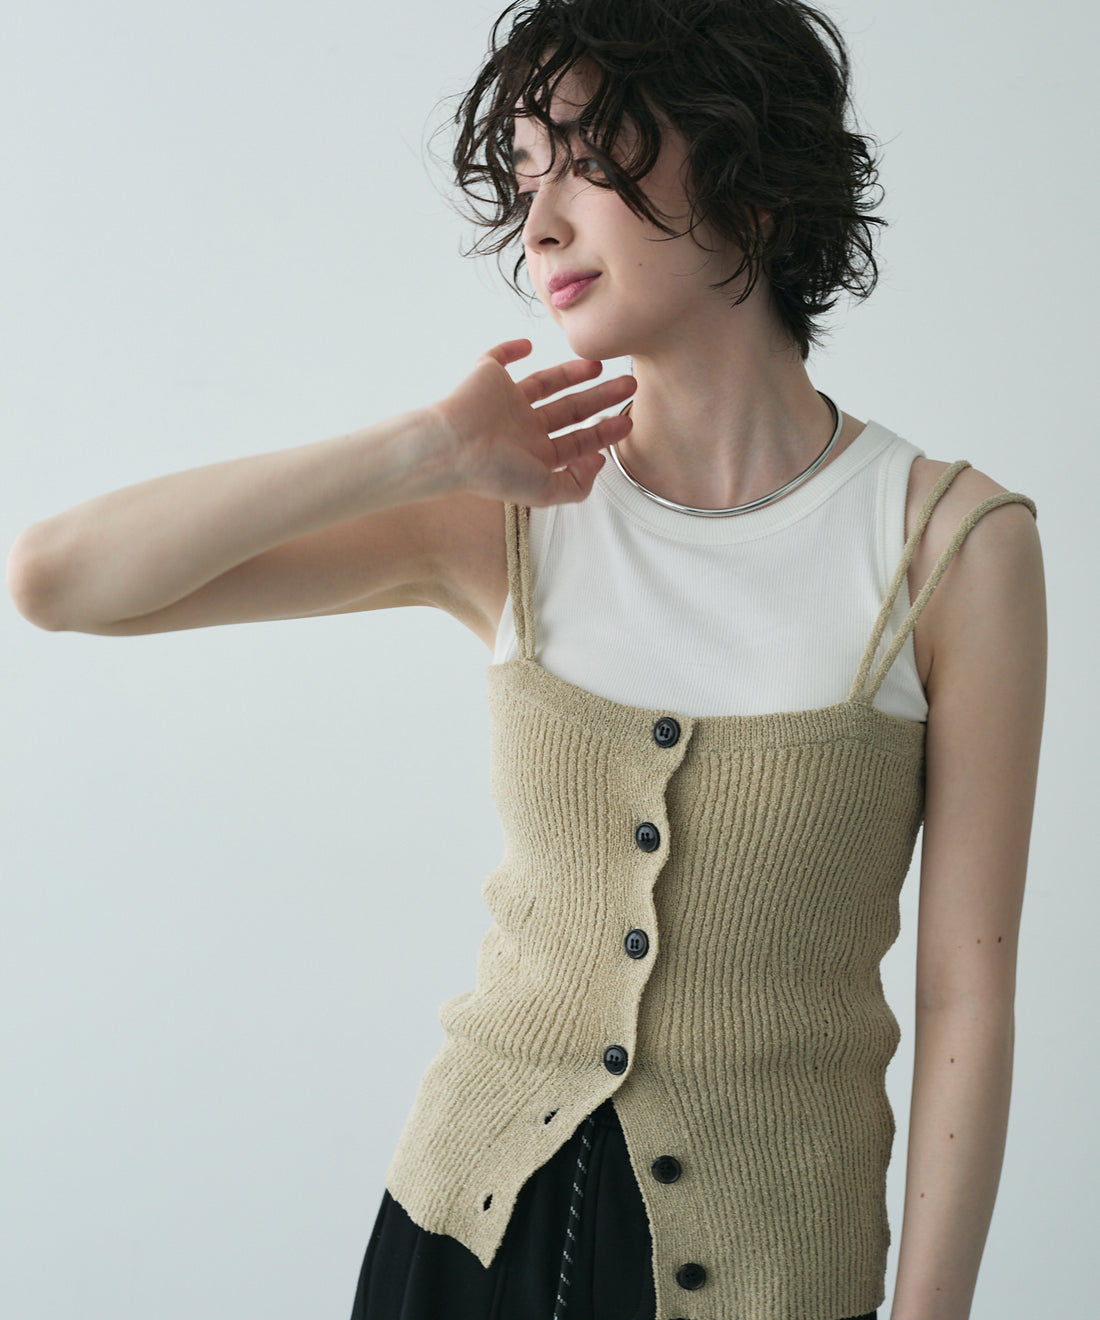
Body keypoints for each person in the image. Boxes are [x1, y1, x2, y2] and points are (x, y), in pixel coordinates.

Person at [7, 2, 1045, 1318]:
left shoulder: (951, 548)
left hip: (778, 1274)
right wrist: (420, 451)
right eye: (524, 176)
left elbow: (966, 997)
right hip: (463, 1243)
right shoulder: (508, 517)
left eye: (590, 159)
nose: (540, 224)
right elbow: (61, 581)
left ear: (754, 179)